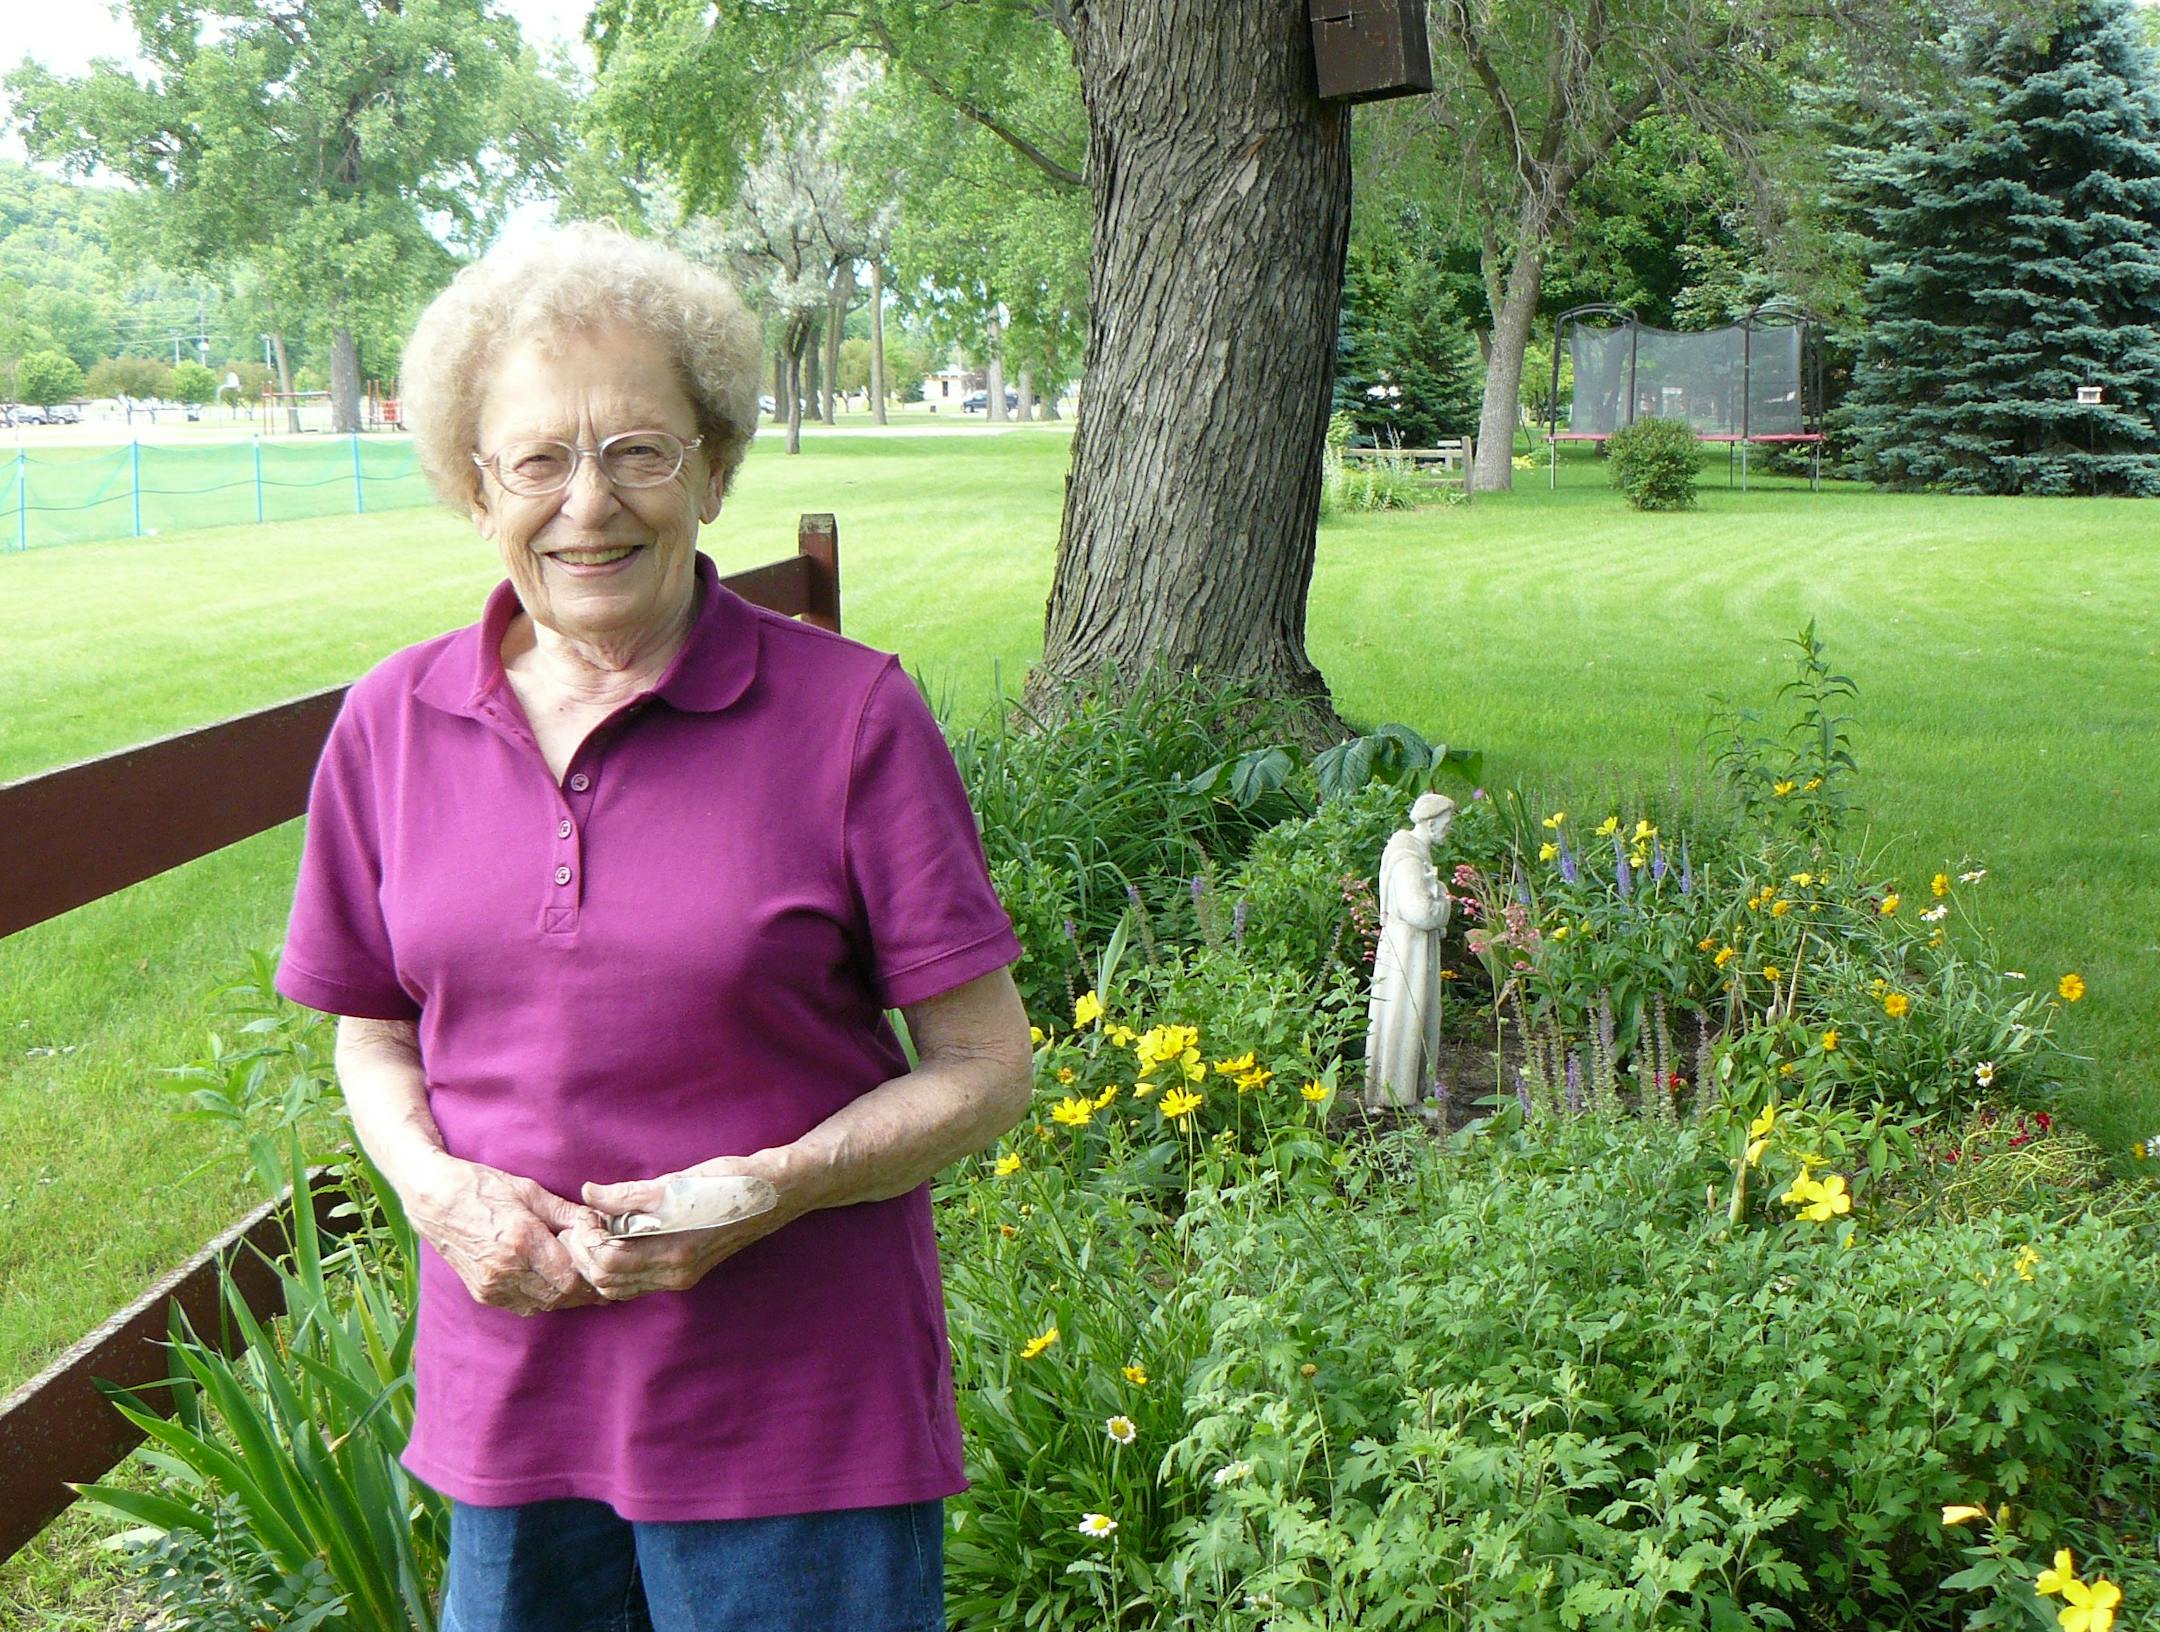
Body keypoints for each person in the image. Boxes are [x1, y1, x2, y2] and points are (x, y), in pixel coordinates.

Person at [275, 224, 1033, 1632]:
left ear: (715, 467)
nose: (588, 504)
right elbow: (370, 1031)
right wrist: (437, 1192)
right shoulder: (393, 722)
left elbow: (987, 1068)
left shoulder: (852, 717)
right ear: (473, 482)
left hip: (796, 1416)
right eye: (538, 460)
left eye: (638, 449)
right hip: (516, 1401)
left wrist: (775, 1185)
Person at [1362, 792, 1455, 1109]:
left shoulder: (1411, 851)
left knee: (1409, 1013)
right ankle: (1397, 1095)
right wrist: (1444, 905)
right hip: (1408, 950)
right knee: (1406, 1014)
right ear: (1430, 823)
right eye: (1446, 822)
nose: (1448, 829)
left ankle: (1403, 1090)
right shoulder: (1408, 859)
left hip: (1410, 947)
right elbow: (1419, 911)